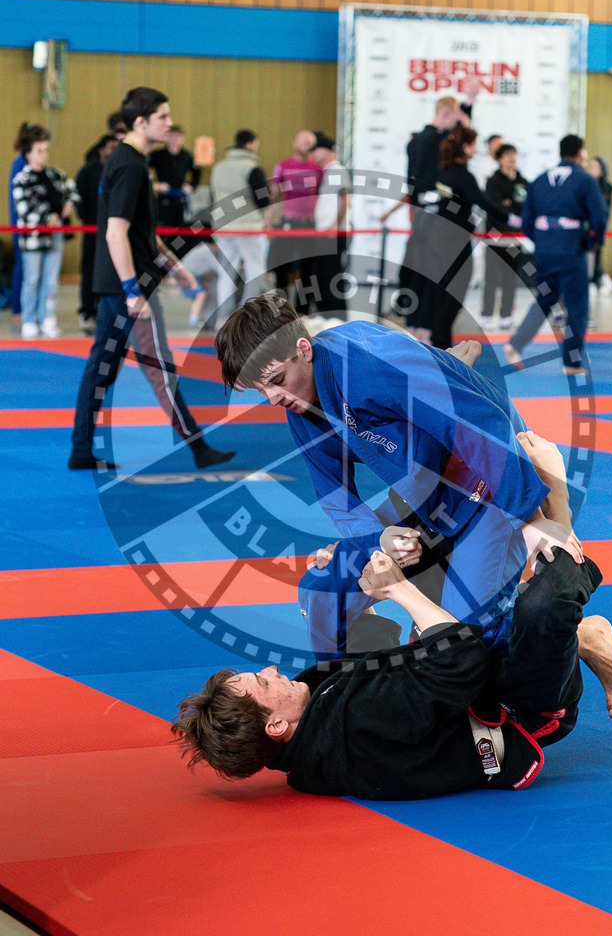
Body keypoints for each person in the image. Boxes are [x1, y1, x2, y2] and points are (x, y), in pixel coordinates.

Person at [172, 432, 612, 799]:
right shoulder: (358, 728)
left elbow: (400, 659)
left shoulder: (310, 729)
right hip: (519, 706)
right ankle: (561, 524)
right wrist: (397, 590)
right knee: (544, 607)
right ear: (275, 726)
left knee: (329, 584)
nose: (273, 670)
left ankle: (577, 640)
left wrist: (349, 566)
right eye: (264, 683)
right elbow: (464, 656)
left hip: (445, 679)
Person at [215, 294, 583, 650]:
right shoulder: (301, 405)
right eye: (260, 390)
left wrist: (529, 517)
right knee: (322, 591)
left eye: (276, 380)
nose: (273, 398)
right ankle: (374, 679)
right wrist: (379, 541)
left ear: (304, 349)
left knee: (459, 637)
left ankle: (583, 641)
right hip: (425, 491)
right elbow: (336, 497)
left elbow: (477, 424)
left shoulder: (368, 365)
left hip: (488, 480)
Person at [69, 86, 235, 471]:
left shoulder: (130, 162)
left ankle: (80, 449)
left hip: (122, 284)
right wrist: (132, 291)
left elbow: (140, 231)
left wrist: (173, 266)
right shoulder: (129, 165)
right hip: (127, 287)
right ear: (141, 122)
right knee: (157, 366)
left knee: (103, 367)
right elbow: (115, 232)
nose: (169, 123)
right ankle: (197, 447)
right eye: (163, 117)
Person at [403, 124, 518, 348]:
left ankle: (434, 339)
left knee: (440, 289)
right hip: (454, 240)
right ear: (465, 148)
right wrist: (513, 220)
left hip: (438, 238)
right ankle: (439, 340)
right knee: (454, 292)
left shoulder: (441, 171)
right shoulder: (461, 175)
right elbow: (483, 202)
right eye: (473, 145)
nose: (476, 150)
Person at [504, 135, 609, 376]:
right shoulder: (585, 180)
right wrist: (594, 242)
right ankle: (571, 363)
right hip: (571, 249)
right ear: (580, 153)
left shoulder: (539, 181)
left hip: (545, 250)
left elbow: (526, 221)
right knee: (578, 307)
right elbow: (600, 217)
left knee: (545, 299)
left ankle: (515, 344)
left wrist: (541, 241)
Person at [12, 124, 78, 339]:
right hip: (33, 238)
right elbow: (23, 210)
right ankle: (29, 319)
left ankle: (48, 317)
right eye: (39, 150)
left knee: (50, 280)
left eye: (45, 150)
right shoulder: (21, 179)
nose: (44, 155)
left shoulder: (55, 174)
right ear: (28, 153)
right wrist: (45, 217)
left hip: (55, 235)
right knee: (32, 279)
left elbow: (73, 190)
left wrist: (68, 206)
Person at [210, 129, 270, 316]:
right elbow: (263, 199)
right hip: (248, 227)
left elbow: (212, 197)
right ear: (250, 144)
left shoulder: (218, 167)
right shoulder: (252, 168)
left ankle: (223, 317)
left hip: (223, 227)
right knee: (255, 270)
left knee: (226, 273)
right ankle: (246, 316)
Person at [297, 132, 350, 319]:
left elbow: (345, 199)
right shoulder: (328, 172)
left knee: (331, 275)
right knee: (323, 275)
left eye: (316, 150)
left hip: (332, 234)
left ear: (326, 151)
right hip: (325, 233)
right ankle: (327, 314)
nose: (313, 155)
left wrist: (335, 225)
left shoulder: (336, 170)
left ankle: (336, 316)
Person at [268, 130, 323, 298]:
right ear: (295, 143)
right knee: (282, 266)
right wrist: (269, 222)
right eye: (305, 142)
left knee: (308, 267)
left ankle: (304, 311)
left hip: (308, 223)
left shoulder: (317, 168)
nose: (309, 146)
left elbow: (321, 195)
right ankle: (280, 307)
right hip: (287, 222)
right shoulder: (283, 166)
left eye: (311, 143)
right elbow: (274, 196)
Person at [481, 143, 529, 330]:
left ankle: (506, 315)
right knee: (491, 278)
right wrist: (508, 207)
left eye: (514, 155)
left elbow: (524, 206)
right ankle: (486, 314)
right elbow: (494, 206)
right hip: (494, 237)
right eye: (508, 155)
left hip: (514, 238)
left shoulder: (523, 181)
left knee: (510, 277)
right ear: (500, 159)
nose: (512, 159)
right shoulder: (493, 181)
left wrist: (509, 205)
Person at [75, 133, 119, 334]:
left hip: (114, 230)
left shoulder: (119, 171)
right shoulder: (88, 172)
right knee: (89, 270)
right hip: (92, 229)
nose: (113, 152)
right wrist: (88, 219)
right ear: (102, 150)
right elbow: (78, 197)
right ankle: (87, 310)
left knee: (109, 271)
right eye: (110, 147)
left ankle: (105, 312)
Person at [149, 125, 201, 229]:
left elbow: (197, 172)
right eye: (171, 136)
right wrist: (155, 184)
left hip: (180, 198)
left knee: (180, 232)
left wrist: (191, 186)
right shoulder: (157, 155)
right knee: (163, 230)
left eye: (177, 137)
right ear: (166, 137)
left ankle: (175, 245)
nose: (174, 140)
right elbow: (143, 169)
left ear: (182, 139)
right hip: (163, 198)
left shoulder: (187, 156)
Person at [8, 124, 29, 334]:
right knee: (22, 266)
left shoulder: (22, 162)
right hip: (21, 223)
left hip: (23, 223)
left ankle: (24, 308)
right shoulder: (21, 164)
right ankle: (18, 308)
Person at [587, 156, 612, 294]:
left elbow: (605, 211)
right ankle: (592, 280)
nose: (591, 170)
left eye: (594, 167)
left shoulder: (607, 188)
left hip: (598, 226)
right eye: (589, 167)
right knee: (588, 256)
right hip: (586, 226)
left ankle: (598, 279)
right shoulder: (586, 184)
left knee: (597, 254)